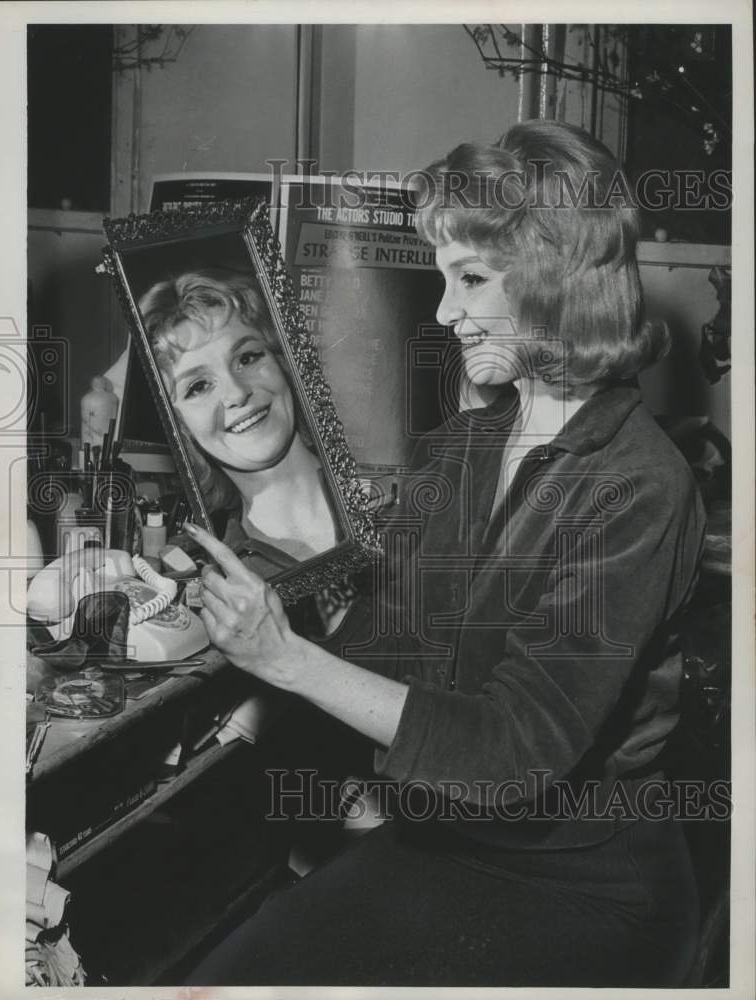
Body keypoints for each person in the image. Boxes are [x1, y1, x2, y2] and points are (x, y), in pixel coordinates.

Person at [182, 121, 706, 987]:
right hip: (446, 837)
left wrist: (290, 664)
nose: (443, 312)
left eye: (469, 280)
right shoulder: (467, 443)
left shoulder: (639, 485)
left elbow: (514, 748)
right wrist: (239, 629)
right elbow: (387, 643)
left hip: (585, 882)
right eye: (443, 279)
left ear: (552, 282)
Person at [138, 269, 339, 580]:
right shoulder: (226, 580)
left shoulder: (394, 495)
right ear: (180, 427)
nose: (237, 392)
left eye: (247, 358)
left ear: (283, 363)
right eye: (199, 387)